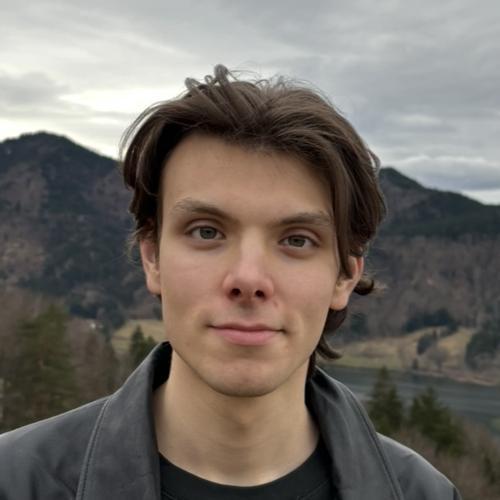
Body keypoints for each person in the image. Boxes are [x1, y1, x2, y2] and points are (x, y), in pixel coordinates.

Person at [0, 65, 461, 499]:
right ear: (152, 258)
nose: (248, 279)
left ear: (344, 276)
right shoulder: (16, 481)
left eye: (297, 240)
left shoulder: (424, 493)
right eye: (207, 232)